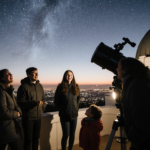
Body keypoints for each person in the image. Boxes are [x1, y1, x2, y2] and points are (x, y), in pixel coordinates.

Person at [116, 57, 150, 150]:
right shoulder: (135, 83)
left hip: (143, 143)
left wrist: (132, 135)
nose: (116, 68)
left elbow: (144, 119)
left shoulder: (137, 86)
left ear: (125, 69)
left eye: (119, 66)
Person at [17, 67, 45, 150]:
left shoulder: (40, 86)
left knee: (36, 139)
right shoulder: (23, 87)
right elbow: (20, 102)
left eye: (37, 73)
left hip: (38, 117)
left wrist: (41, 110)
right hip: (28, 118)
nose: (37, 74)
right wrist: (34, 103)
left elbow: (43, 99)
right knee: (28, 140)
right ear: (28, 75)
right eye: (34, 73)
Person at [54, 70, 80, 150]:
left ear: (73, 76)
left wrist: (76, 108)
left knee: (72, 134)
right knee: (66, 135)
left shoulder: (76, 87)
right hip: (64, 115)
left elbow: (78, 100)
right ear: (65, 76)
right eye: (68, 75)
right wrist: (63, 110)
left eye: (71, 75)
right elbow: (56, 102)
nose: (69, 76)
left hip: (74, 115)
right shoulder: (60, 87)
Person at [0, 69, 22, 150]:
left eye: (10, 73)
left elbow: (16, 106)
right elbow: (3, 113)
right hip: (5, 129)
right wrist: (17, 114)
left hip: (11, 128)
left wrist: (19, 111)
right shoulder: (2, 92)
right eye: (7, 73)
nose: (11, 74)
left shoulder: (9, 91)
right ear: (2, 78)